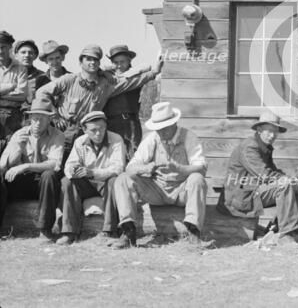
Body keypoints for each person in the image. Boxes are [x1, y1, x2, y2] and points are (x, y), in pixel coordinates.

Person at [36, 44, 163, 165]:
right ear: (80, 62)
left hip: (88, 133)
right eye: (88, 59)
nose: (92, 62)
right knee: (58, 165)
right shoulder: (69, 79)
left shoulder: (105, 85)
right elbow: (42, 93)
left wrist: (154, 72)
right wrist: (54, 115)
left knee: (85, 168)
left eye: (96, 60)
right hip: (65, 131)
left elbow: (130, 82)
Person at [111, 102, 207, 248]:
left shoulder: (189, 137)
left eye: (164, 128)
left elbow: (201, 168)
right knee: (123, 179)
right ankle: (128, 231)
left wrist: (181, 168)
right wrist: (145, 168)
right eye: (158, 129)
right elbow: (131, 168)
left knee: (197, 178)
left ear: (174, 123)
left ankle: (193, 232)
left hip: (182, 190)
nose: (161, 132)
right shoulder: (152, 139)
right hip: (156, 190)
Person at [221, 110, 298, 237]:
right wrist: (286, 180)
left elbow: (273, 172)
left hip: (252, 192)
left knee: (295, 187)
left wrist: (291, 180)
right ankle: (287, 234)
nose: (272, 135)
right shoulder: (250, 147)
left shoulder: (264, 147)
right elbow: (265, 175)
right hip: (240, 197)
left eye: (275, 131)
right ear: (259, 129)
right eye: (269, 131)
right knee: (284, 186)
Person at [57, 111, 125, 245]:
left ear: (106, 127)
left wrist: (92, 172)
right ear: (84, 130)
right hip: (87, 185)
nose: (98, 133)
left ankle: (110, 231)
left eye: (102, 129)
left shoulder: (116, 139)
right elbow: (69, 165)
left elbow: (118, 168)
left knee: (114, 181)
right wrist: (74, 170)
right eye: (93, 130)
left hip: (106, 185)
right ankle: (69, 232)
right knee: (66, 182)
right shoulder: (79, 141)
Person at [0, 99, 64, 240]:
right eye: (35, 119)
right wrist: (18, 148)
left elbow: (54, 164)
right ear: (30, 119)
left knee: (49, 175)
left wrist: (27, 165)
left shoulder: (57, 135)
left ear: (49, 119)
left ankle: (45, 229)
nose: (38, 123)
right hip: (21, 182)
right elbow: (3, 166)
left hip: (43, 184)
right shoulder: (19, 134)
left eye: (42, 119)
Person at [103, 45, 145, 160]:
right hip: (111, 121)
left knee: (133, 152)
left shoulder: (136, 75)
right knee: (113, 153)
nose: (119, 65)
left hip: (130, 121)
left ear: (129, 61)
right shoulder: (106, 77)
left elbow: (146, 70)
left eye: (123, 61)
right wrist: (106, 73)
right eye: (116, 62)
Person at [0, 30, 27, 149]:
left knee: (11, 150)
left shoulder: (21, 68)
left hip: (12, 116)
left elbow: (22, 95)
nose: (0, 51)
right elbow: (16, 91)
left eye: (3, 47)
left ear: (10, 47)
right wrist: (10, 86)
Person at [14, 40, 45, 127]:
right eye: (23, 52)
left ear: (35, 56)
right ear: (16, 55)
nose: (27, 55)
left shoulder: (42, 77)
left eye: (30, 53)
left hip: (32, 122)